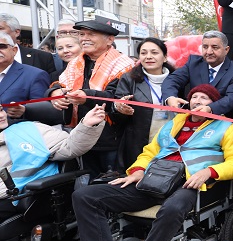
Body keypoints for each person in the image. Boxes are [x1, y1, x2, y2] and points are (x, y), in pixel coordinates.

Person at [64, 84, 233, 241]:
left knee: (172, 208)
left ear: (214, 106)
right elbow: (149, 152)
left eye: (205, 99)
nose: (198, 101)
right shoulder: (172, 124)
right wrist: (137, 170)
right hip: (155, 181)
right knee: (85, 196)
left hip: (190, 184)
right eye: (195, 97)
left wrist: (210, 171)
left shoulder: (226, 127)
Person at [49, 20, 133, 177]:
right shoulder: (76, 62)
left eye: (91, 34)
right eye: (81, 34)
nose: (84, 38)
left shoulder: (123, 65)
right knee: (84, 181)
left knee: (108, 184)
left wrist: (87, 97)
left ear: (110, 40)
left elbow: (116, 98)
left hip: (110, 139)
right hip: (79, 136)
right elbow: (60, 84)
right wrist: (54, 93)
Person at [0, 104, 105, 207]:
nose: (1, 115)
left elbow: (69, 147)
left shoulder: (29, 130)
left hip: (17, 195)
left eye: (1, 110)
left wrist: (87, 125)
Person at [110, 38, 176, 172]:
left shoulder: (178, 78)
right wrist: (119, 109)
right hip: (139, 141)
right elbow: (116, 114)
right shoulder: (129, 79)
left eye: (154, 52)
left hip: (172, 139)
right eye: (143, 53)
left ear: (164, 57)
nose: (149, 57)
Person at [162, 30, 233, 120]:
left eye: (215, 47)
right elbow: (172, 80)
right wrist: (170, 97)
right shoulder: (193, 64)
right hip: (195, 124)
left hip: (225, 126)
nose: (209, 52)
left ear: (226, 50)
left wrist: (210, 109)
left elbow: (231, 98)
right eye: (205, 47)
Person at [0, 31, 51, 121]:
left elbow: (42, 112)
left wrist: (23, 110)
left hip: (15, 131)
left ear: (14, 50)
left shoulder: (35, 75)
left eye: (2, 46)